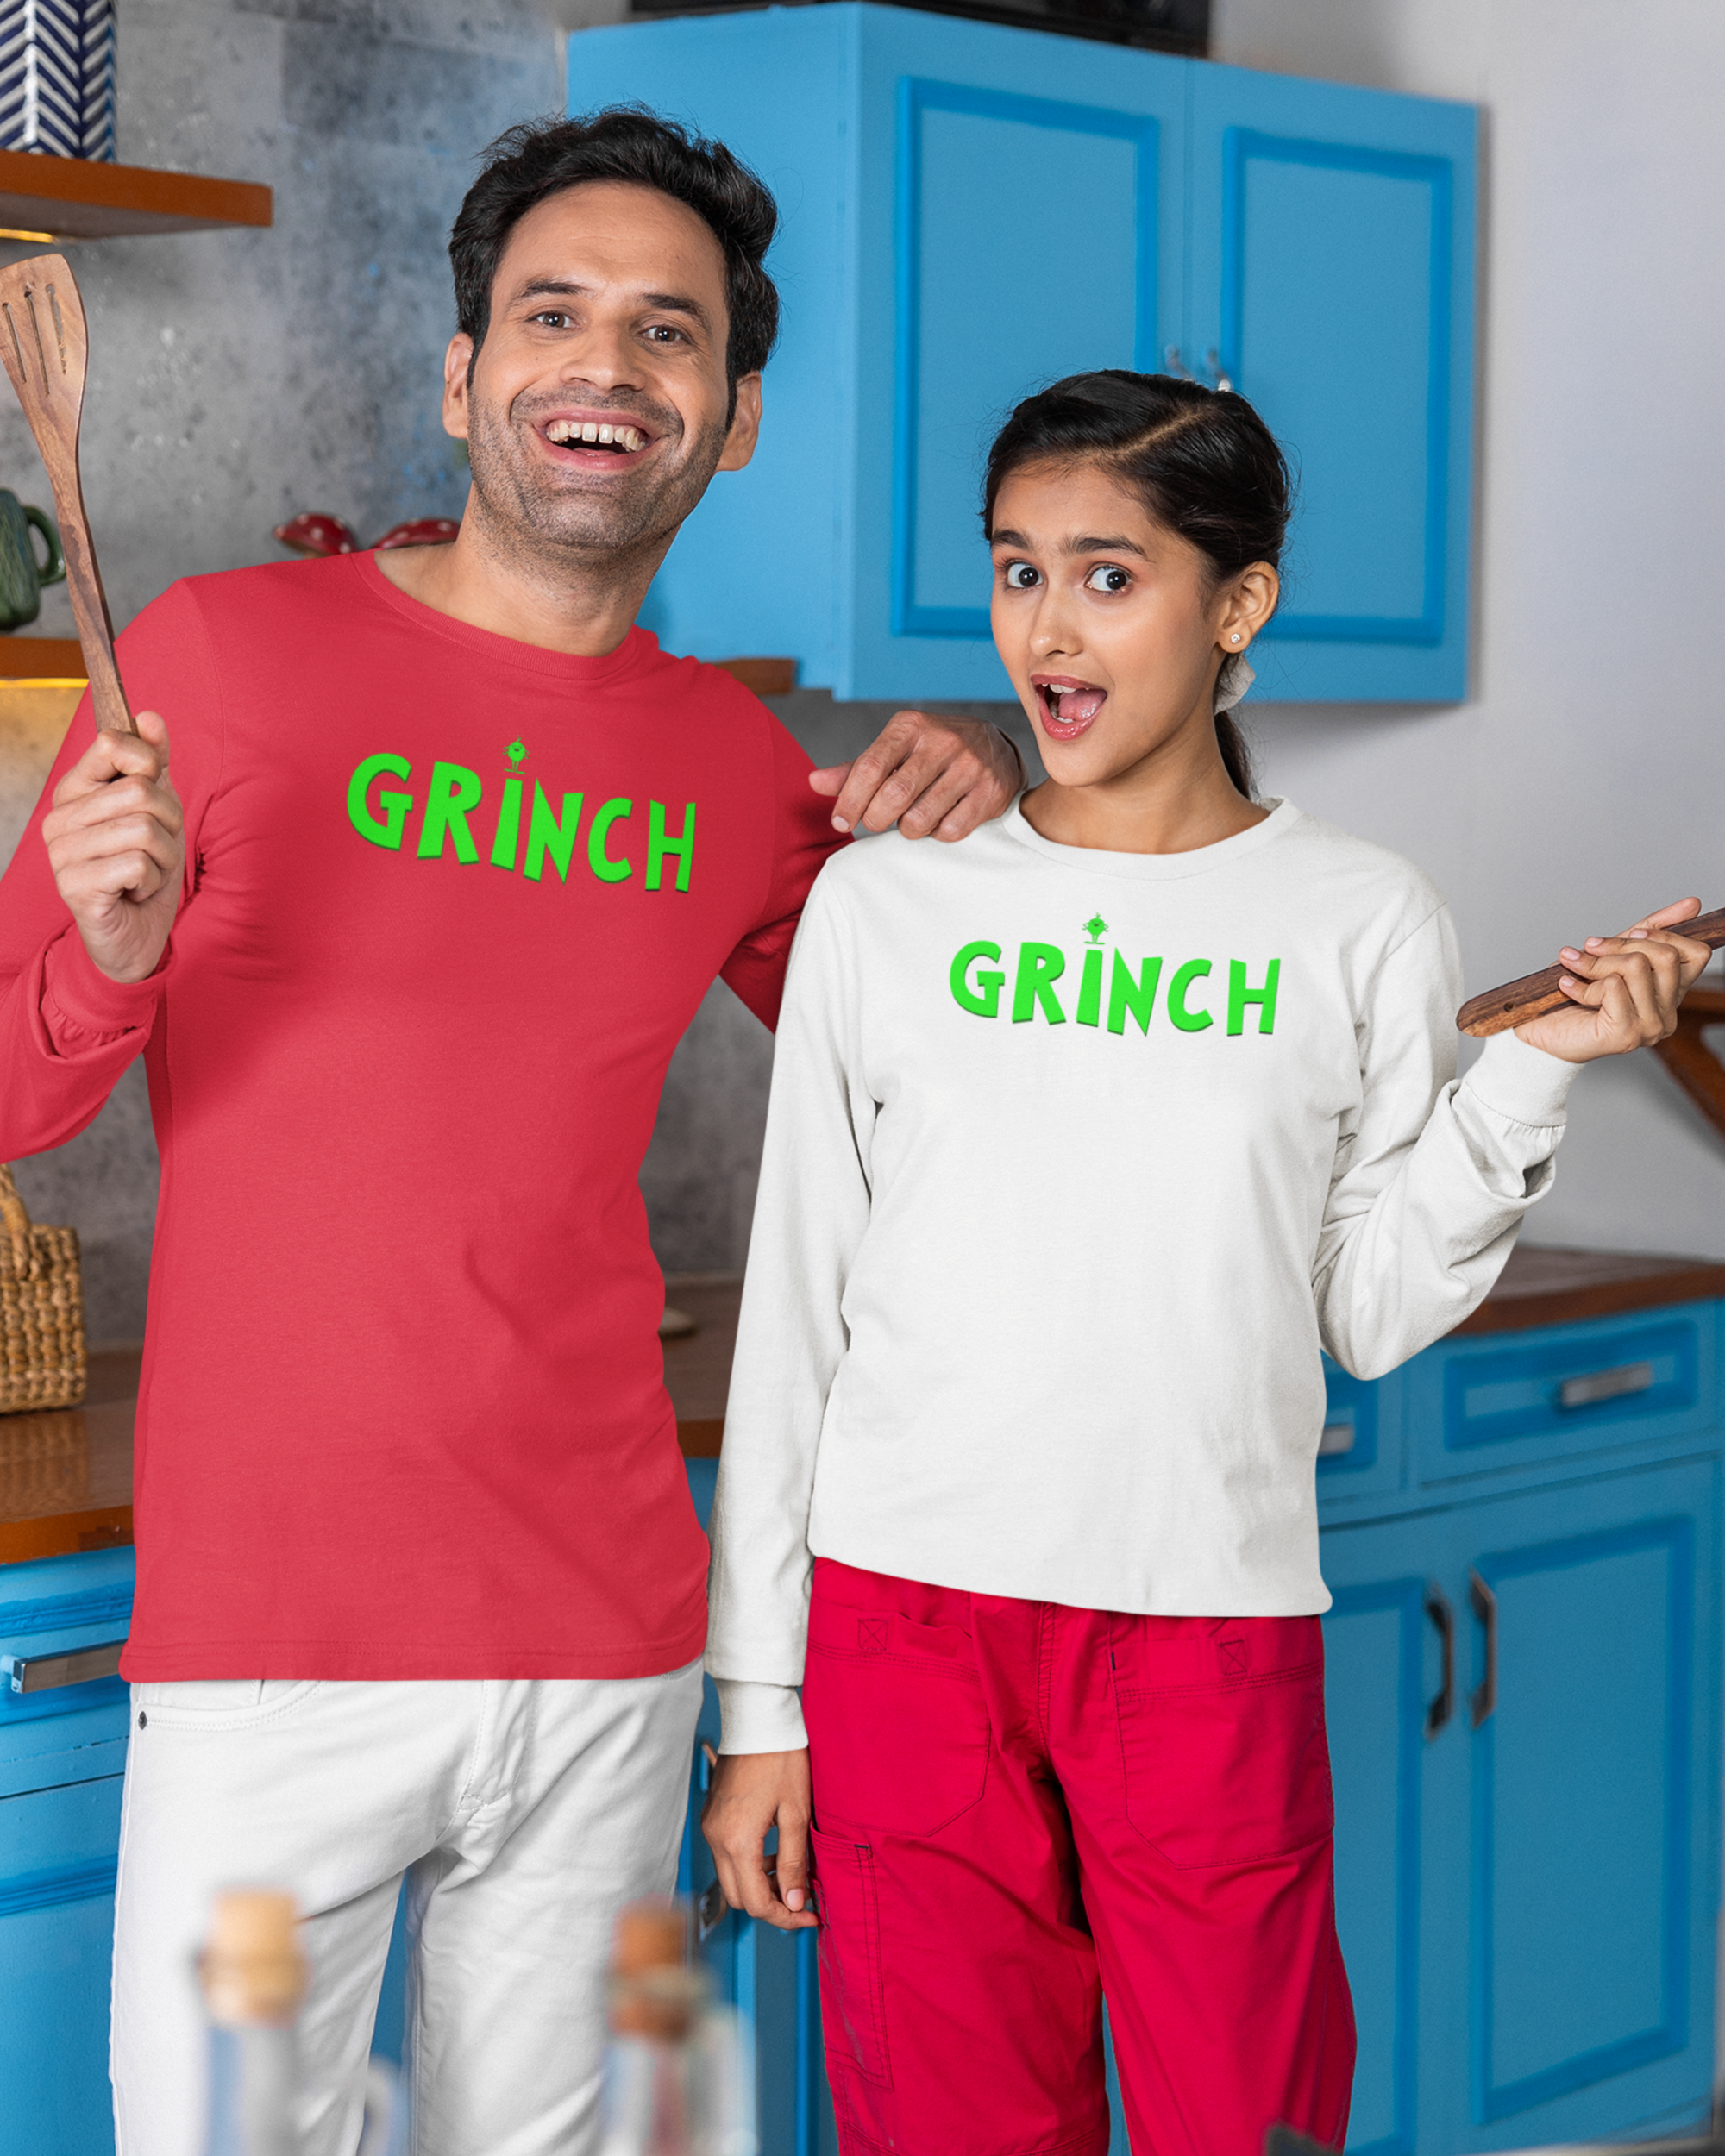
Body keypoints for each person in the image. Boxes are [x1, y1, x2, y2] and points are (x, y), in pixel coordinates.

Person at [0, 111, 1021, 2156]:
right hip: (273, 1647)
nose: (604, 362)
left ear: (732, 418)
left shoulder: (733, 766)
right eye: (552, 313)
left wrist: (998, 808)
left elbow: (970, 1101)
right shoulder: (210, 659)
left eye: (668, 330)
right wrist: (108, 949)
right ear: (465, 376)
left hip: (607, 1647)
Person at [699, 369, 1709, 2156]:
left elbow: (1368, 1308)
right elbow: (797, 1310)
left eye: (1109, 575)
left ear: (1238, 604)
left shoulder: (1361, 918)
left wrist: (1534, 1067)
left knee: (1242, 2120)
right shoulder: (888, 903)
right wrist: (759, 1702)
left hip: (1202, 1627)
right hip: (904, 1625)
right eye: (1017, 570)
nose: (1046, 629)